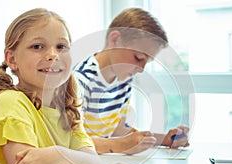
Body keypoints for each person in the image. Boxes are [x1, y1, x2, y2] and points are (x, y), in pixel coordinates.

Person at [0, 8, 143, 164]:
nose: (53, 55)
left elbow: (92, 161)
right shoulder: (10, 103)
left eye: (61, 46)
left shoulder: (67, 110)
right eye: (37, 47)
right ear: (12, 59)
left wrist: (58, 155)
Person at [73, 8, 190, 155]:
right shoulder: (80, 81)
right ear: (114, 40)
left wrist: (164, 139)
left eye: (147, 62)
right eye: (138, 58)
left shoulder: (123, 81)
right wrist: (122, 145)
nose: (141, 69)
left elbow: (120, 131)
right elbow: (72, 141)